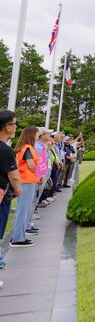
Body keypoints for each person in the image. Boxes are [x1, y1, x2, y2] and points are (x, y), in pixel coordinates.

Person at [10, 126, 40, 248]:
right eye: (37, 134)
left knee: (22, 210)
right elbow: (31, 165)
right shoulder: (28, 149)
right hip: (27, 181)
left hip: (25, 180)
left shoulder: (23, 148)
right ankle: (18, 238)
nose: (38, 136)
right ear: (31, 135)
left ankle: (17, 236)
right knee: (24, 210)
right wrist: (40, 172)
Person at [0, 111, 22, 271]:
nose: (16, 128)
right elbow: (13, 176)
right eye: (15, 124)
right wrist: (18, 189)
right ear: (7, 127)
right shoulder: (5, 150)